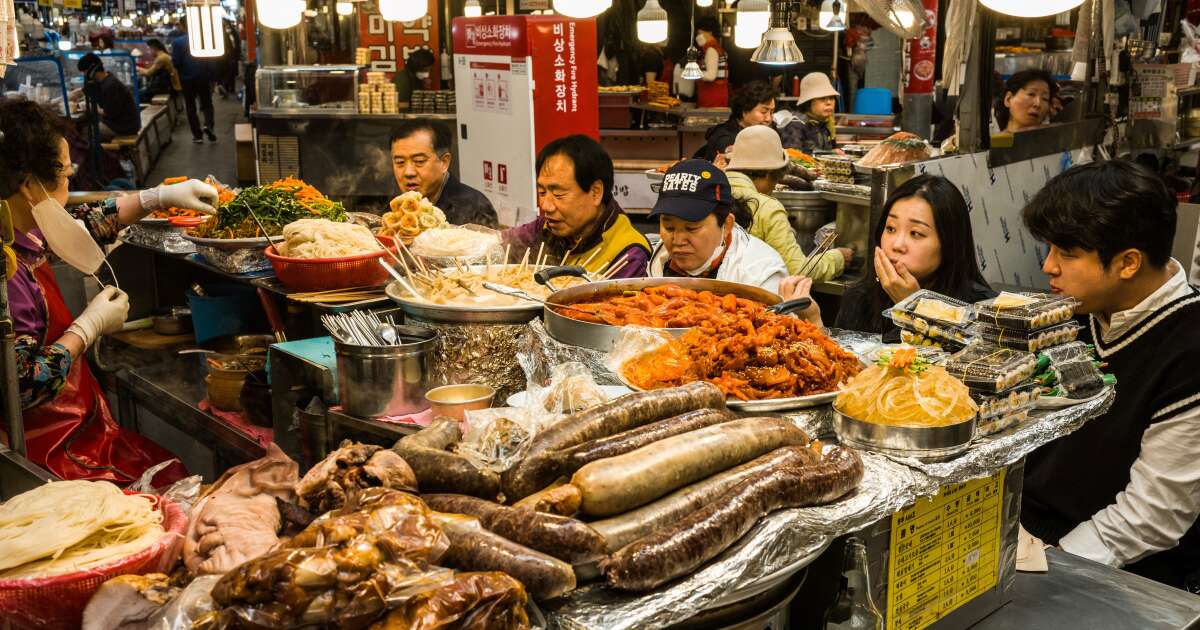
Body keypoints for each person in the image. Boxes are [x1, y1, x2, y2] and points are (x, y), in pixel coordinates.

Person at [0, 100, 218, 484]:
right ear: (29, 184)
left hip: (76, 425)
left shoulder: (22, 225)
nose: (70, 181)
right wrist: (88, 328)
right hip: (42, 451)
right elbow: (20, 386)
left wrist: (156, 198)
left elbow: (77, 227)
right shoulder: (7, 269)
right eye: (66, 174)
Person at [1019, 160, 1200, 590]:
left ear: (1128, 263)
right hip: (1029, 528)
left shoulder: (1188, 350)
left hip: (1123, 568)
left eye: (1066, 253)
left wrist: (1055, 563)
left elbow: (1154, 514)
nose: (1048, 267)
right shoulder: (1081, 310)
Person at [782, 174, 994, 337]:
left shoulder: (982, 310)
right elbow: (848, 374)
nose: (897, 244)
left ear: (949, 244)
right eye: (891, 228)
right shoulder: (861, 298)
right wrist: (812, 320)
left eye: (916, 234)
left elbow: (959, 383)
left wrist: (914, 308)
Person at [504, 135, 650, 278]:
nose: (545, 206)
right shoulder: (547, 228)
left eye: (559, 194)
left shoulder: (627, 255)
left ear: (595, 192)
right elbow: (497, 245)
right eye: (542, 192)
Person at [725, 125, 851, 281]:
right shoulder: (766, 208)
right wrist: (837, 258)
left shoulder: (711, 190)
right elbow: (798, 272)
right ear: (769, 175)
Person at [647, 160, 787, 293]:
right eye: (669, 227)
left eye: (691, 228)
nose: (678, 241)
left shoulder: (761, 274)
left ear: (726, 225)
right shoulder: (659, 260)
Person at [390, 119, 498, 227]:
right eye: (400, 162)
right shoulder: (395, 205)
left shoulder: (475, 207)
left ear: (444, 162)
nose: (408, 172)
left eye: (419, 161)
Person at [694, 80, 776, 162]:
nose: (769, 118)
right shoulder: (725, 139)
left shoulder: (771, 132)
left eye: (772, 112)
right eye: (763, 112)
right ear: (745, 110)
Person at [172, 17, 217, 144]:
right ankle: (209, 126)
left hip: (186, 78)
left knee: (191, 106)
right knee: (207, 103)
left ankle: (197, 136)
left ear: (182, 26)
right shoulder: (203, 40)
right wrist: (212, 77)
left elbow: (175, 62)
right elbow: (211, 60)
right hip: (203, 76)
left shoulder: (178, 42)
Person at [74, 53, 138, 141]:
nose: (85, 75)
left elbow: (109, 113)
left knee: (86, 131)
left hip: (124, 127)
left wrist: (91, 107)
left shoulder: (110, 85)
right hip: (119, 123)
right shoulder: (104, 80)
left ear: (91, 70)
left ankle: (100, 154)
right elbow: (82, 91)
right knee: (85, 123)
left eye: (84, 72)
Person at [777, 72, 840, 154]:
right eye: (822, 98)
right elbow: (795, 158)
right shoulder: (795, 125)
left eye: (831, 98)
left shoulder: (827, 125)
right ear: (808, 102)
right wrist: (830, 153)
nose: (828, 102)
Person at [995, 68, 1058, 134]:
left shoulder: (1056, 142)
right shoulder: (993, 143)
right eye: (1031, 94)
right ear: (1008, 99)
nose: (1038, 104)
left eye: (1045, 98)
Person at [693, 17, 729, 109]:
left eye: (700, 33)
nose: (698, 37)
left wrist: (693, 72)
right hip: (717, 97)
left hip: (712, 99)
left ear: (709, 32)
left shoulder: (711, 49)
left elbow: (710, 75)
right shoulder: (715, 48)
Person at [137, 38, 182, 103]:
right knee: (143, 92)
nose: (148, 51)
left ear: (154, 48)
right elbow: (151, 70)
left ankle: (148, 111)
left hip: (168, 88)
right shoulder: (163, 55)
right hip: (169, 86)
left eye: (149, 49)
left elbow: (149, 73)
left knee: (139, 95)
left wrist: (138, 69)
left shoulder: (161, 58)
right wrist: (140, 69)